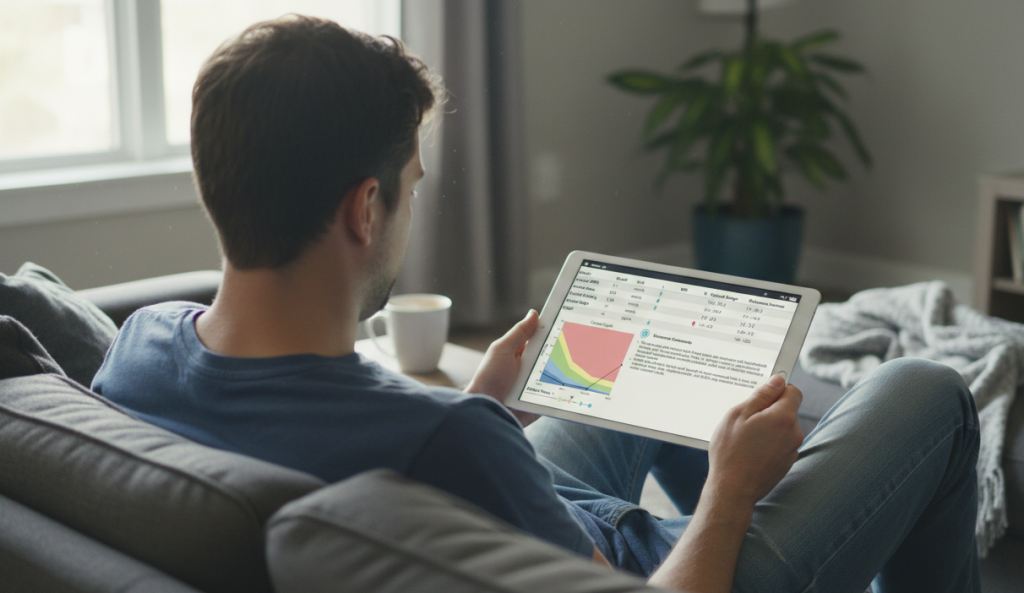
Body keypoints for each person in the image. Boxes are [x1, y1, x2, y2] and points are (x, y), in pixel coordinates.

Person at [91, 15, 981, 593]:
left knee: (626, 376)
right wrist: (729, 490)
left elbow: (379, 459)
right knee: (927, 391)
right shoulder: (449, 440)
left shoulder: (138, 346)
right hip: (675, 571)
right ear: (366, 209)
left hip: (509, 518)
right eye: (411, 185)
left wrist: (482, 404)